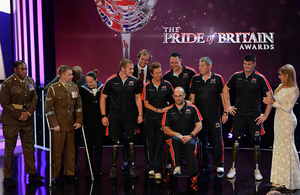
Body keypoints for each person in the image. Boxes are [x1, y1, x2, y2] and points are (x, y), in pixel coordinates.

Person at [223, 53, 274, 181]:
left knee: (256, 142)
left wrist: (266, 115)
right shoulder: (236, 76)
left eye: (249, 64)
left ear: (254, 64)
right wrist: (228, 107)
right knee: (235, 141)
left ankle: (257, 170)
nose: (246, 66)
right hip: (239, 113)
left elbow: (271, 97)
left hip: (254, 115)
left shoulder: (260, 78)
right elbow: (225, 89)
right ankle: (233, 168)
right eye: (245, 64)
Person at [0, 60, 44, 187]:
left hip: (27, 119)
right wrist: (19, 115)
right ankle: (8, 176)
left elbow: (35, 98)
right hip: (11, 120)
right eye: (22, 69)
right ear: (15, 70)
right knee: (10, 148)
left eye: (25, 68)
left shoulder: (29, 81)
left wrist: (28, 113)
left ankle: (32, 173)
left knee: (29, 146)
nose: (24, 71)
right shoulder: (7, 84)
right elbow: (5, 104)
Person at [100, 59, 143, 179]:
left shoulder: (135, 81)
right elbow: (103, 98)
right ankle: (113, 167)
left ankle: (133, 167)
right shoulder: (111, 81)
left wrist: (140, 114)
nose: (133, 70)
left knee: (131, 140)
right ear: (122, 68)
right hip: (115, 116)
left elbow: (138, 98)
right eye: (130, 68)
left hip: (131, 115)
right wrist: (103, 115)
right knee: (115, 142)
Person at [263, 64, 300, 191]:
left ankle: (291, 181)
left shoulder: (294, 90)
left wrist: (272, 103)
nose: (279, 77)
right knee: (278, 146)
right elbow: (276, 102)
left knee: (287, 147)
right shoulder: (280, 86)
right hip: (278, 120)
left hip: (287, 121)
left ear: (287, 75)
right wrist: (269, 101)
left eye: (281, 75)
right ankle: (279, 179)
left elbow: (288, 108)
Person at [45, 65, 83, 184]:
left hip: (71, 123)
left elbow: (78, 105)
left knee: (71, 150)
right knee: (57, 151)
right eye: (69, 74)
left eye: (72, 74)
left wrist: (79, 121)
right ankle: (56, 175)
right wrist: (54, 124)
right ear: (62, 75)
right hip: (59, 124)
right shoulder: (53, 88)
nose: (72, 76)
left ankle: (70, 173)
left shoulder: (74, 86)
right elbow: (48, 108)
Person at [190, 57, 227, 174]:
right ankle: (205, 164)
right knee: (202, 141)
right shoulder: (195, 79)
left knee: (217, 141)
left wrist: (225, 112)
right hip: (200, 118)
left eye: (202, 65)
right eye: (199, 65)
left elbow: (224, 96)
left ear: (209, 66)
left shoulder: (218, 79)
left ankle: (219, 165)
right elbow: (192, 98)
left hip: (215, 116)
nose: (199, 67)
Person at [162, 87, 203, 181]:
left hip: (190, 136)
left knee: (191, 144)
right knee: (175, 140)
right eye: (176, 96)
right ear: (173, 96)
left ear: (184, 95)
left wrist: (190, 135)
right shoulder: (169, 110)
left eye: (180, 96)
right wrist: (178, 135)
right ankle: (177, 166)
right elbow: (165, 129)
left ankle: (193, 174)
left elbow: (199, 125)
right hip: (175, 137)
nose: (178, 98)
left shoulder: (192, 108)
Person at [122, 49, 153, 170]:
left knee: (147, 136)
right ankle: (126, 160)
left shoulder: (152, 71)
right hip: (131, 108)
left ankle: (148, 160)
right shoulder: (130, 70)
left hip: (147, 108)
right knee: (128, 136)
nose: (144, 61)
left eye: (146, 59)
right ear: (138, 58)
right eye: (142, 59)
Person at [142, 62, 173, 179]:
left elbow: (174, 98)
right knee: (151, 143)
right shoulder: (147, 86)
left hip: (162, 120)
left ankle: (157, 169)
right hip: (150, 118)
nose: (159, 75)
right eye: (156, 73)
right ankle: (152, 167)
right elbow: (146, 104)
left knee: (160, 143)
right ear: (151, 74)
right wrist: (158, 110)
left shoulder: (167, 85)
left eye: (160, 72)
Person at [79, 69, 105, 178]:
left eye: (91, 82)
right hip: (87, 122)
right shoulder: (83, 89)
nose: (89, 84)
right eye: (87, 82)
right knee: (88, 145)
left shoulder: (102, 88)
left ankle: (98, 169)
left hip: (99, 122)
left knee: (99, 146)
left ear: (96, 80)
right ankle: (89, 168)